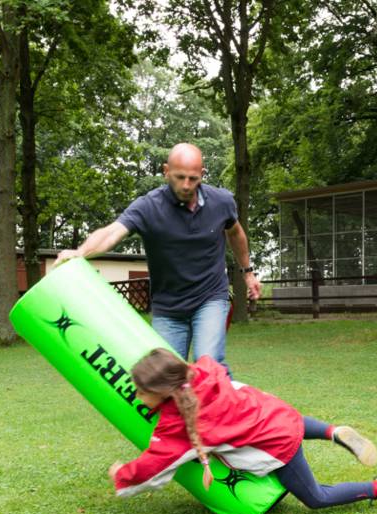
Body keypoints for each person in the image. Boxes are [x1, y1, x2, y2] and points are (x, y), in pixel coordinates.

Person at [108, 348, 377, 509]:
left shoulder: (180, 425)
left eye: (142, 391)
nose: (137, 396)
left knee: (316, 498)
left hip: (276, 441)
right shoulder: (203, 371)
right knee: (289, 421)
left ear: (165, 391)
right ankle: (332, 431)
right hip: (274, 411)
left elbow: (154, 463)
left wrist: (121, 475)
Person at [55, 143, 260, 371]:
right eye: (179, 177)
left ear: (202, 174)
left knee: (209, 363)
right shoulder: (148, 207)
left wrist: (248, 273)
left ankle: (227, 405)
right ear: (166, 171)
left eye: (193, 178)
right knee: (167, 375)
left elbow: (236, 233)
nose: (186, 185)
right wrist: (81, 252)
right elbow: (113, 232)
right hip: (169, 307)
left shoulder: (221, 202)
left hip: (210, 297)